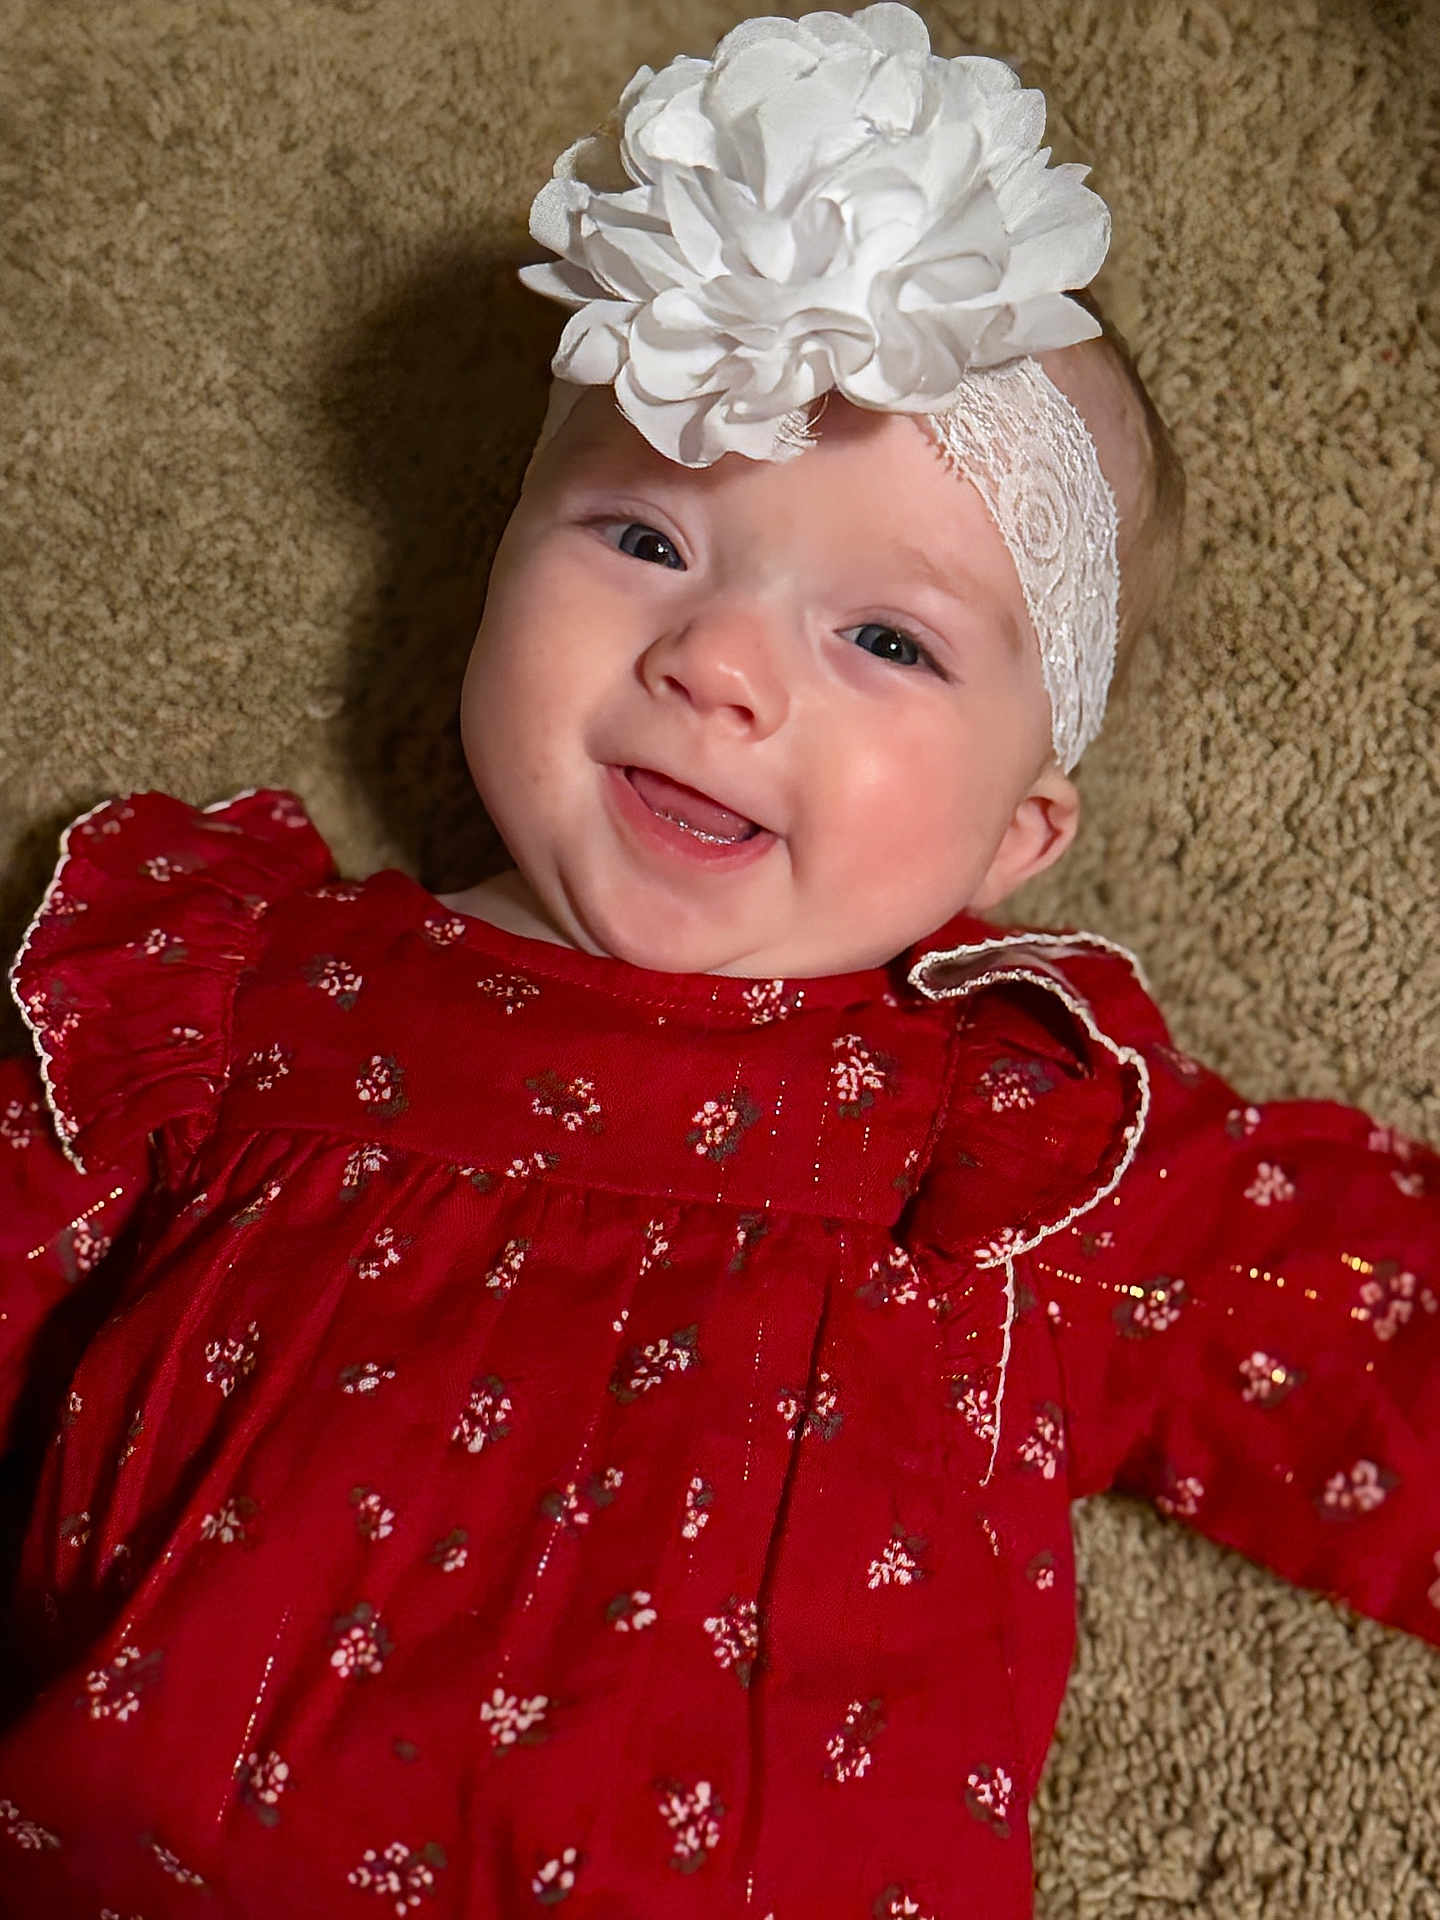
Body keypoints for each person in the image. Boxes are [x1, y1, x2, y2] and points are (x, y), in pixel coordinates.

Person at [0, 5, 1432, 1915]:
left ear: (1020, 834)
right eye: (644, 535)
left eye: (891, 642)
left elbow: (1366, 1332)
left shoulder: (1020, 1141)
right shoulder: (224, 997)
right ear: (497, 559)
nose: (720, 665)